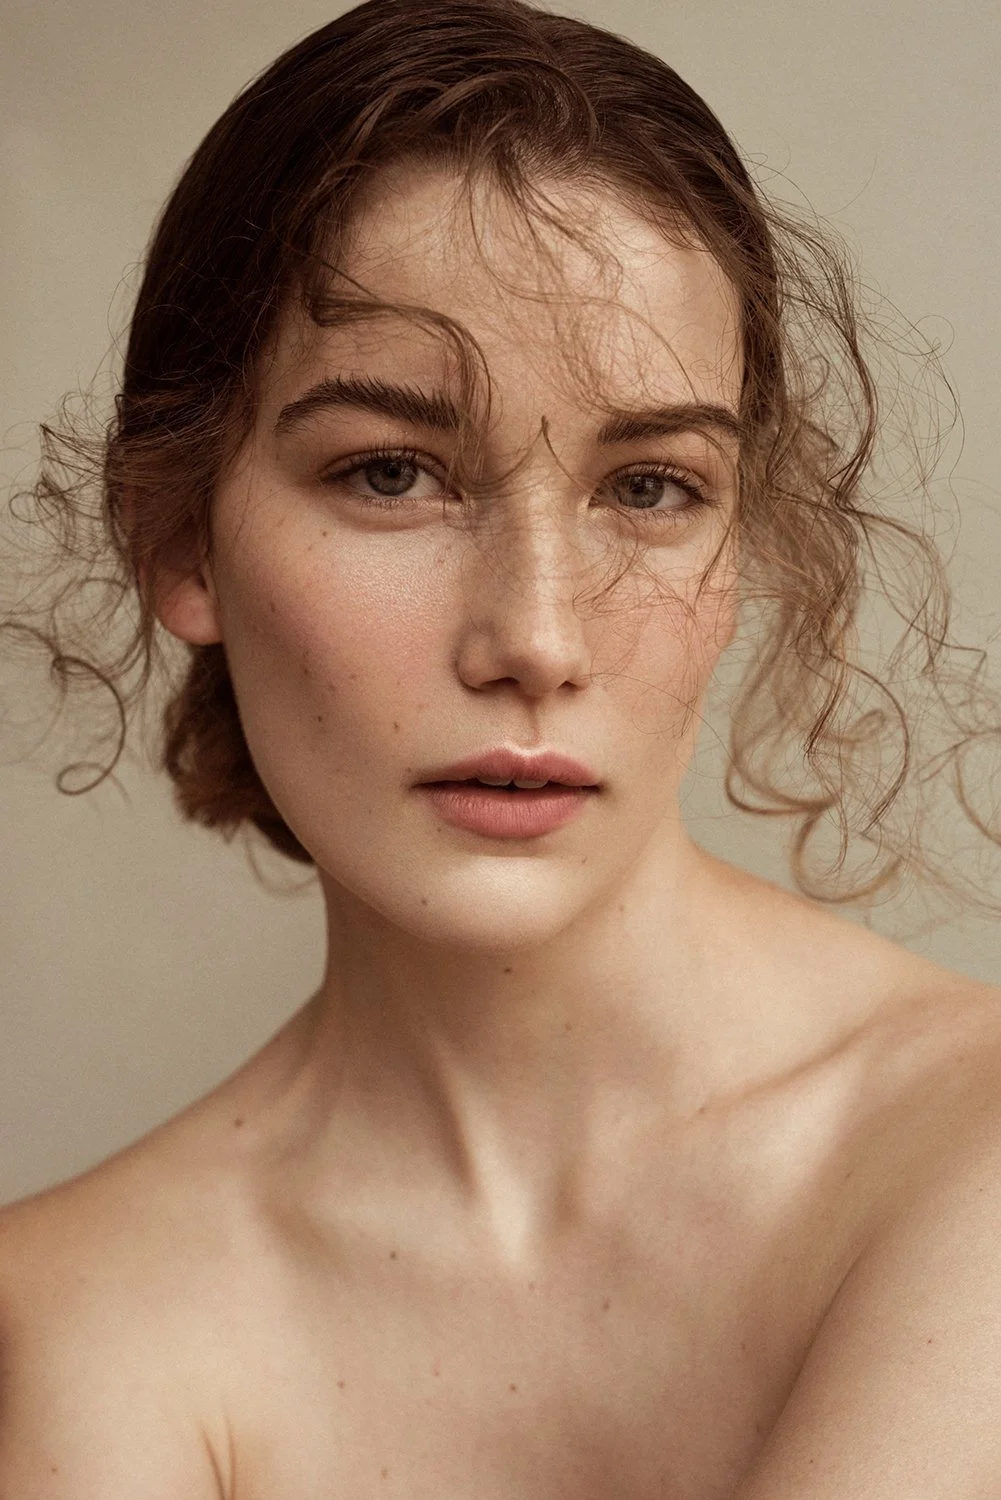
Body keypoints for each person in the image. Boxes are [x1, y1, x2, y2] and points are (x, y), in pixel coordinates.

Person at [2, 0, 1000, 1494]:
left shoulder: (969, 1150)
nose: (536, 637)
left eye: (650, 487)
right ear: (178, 538)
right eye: (390, 473)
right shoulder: (67, 1319)